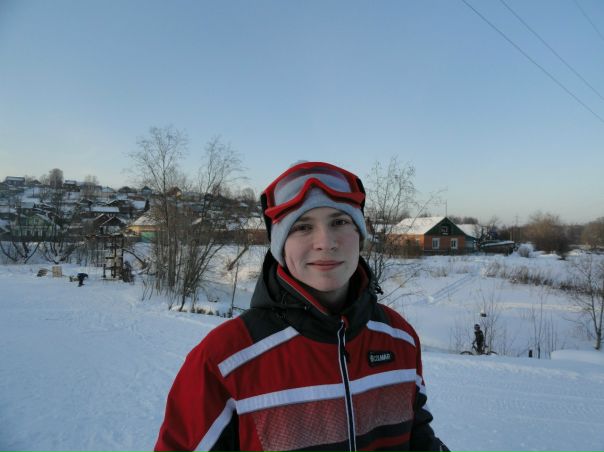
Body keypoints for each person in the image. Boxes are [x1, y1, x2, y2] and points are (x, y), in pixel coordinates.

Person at [155, 161, 448, 452]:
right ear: (280, 247)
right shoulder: (224, 359)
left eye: (339, 222)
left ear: (359, 235)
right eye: (303, 227)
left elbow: (419, 438)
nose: (325, 242)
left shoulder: (399, 337)